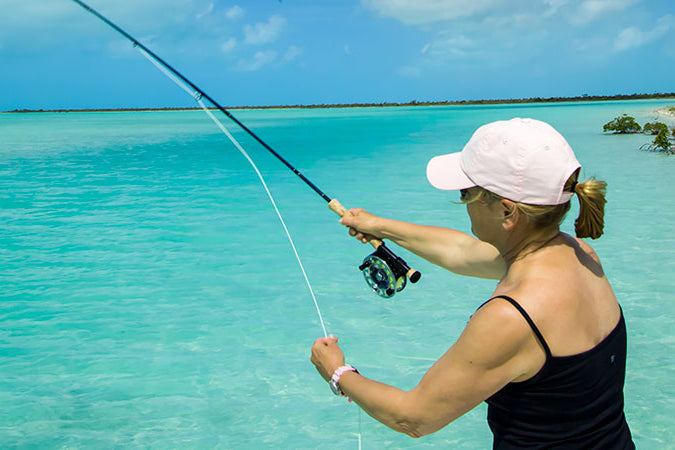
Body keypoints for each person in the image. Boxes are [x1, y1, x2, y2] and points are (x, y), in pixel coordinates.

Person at [310, 118, 634, 448]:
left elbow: (414, 417)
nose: (462, 202)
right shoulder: (582, 254)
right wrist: (378, 225)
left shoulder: (511, 317)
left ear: (508, 212)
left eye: (467, 193)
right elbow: (461, 252)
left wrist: (338, 373)